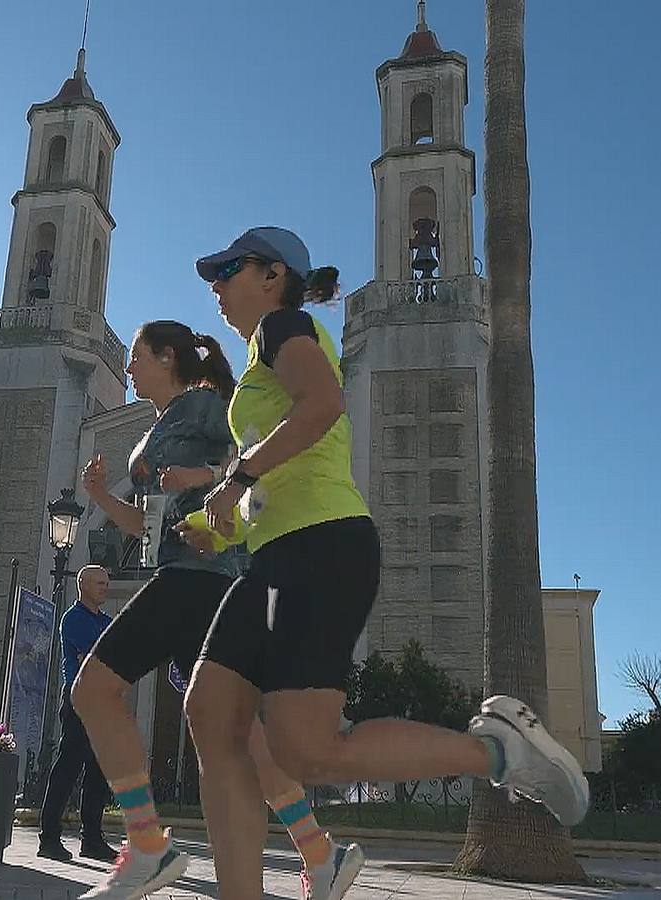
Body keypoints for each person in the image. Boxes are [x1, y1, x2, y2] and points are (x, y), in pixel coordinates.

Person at [170, 227, 588, 899]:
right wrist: (216, 524)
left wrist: (237, 477)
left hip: (320, 549)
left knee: (308, 751)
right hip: (280, 554)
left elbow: (322, 406)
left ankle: (498, 750)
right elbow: (286, 468)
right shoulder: (259, 356)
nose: (215, 285)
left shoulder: (283, 327)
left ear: (272, 275)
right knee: (212, 712)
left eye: (227, 269)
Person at [73, 320, 364, 900]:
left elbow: (252, 455)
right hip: (187, 576)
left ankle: (148, 844)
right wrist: (100, 496)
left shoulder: (206, 406)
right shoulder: (159, 428)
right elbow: (146, 526)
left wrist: (204, 475)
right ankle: (321, 854)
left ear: (167, 358)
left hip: (198, 577)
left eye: (137, 357)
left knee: (93, 690)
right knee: (240, 733)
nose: (128, 369)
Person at [38, 565, 118, 862]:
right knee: (68, 767)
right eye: (99, 583)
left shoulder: (107, 621)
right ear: (82, 584)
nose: (105, 587)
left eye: (106, 583)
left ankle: (92, 840)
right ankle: (49, 838)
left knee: (98, 770)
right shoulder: (73, 619)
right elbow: (96, 659)